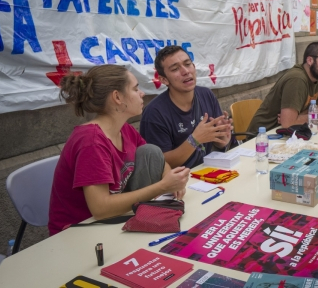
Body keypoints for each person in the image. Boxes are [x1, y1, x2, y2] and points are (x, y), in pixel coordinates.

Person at [48, 65, 189, 235]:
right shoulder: (91, 142)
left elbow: (159, 160)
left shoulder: (124, 129)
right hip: (78, 231)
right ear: (117, 97)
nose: (142, 93)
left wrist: (168, 177)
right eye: (135, 88)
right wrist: (162, 186)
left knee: (150, 151)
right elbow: (101, 209)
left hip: (111, 221)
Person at [140, 46, 232, 169]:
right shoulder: (154, 113)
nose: (185, 71)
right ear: (164, 80)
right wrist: (194, 140)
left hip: (209, 171)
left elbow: (221, 144)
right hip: (178, 183)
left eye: (188, 64)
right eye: (175, 69)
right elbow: (159, 164)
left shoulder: (206, 95)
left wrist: (221, 135)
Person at [248, 41, 318, 132]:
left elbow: (315, 106)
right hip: (263, 136)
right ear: (310, 60)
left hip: (290, 132)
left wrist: (304, 115)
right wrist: (313, 115)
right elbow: (287, 123)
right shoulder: (297, 79)